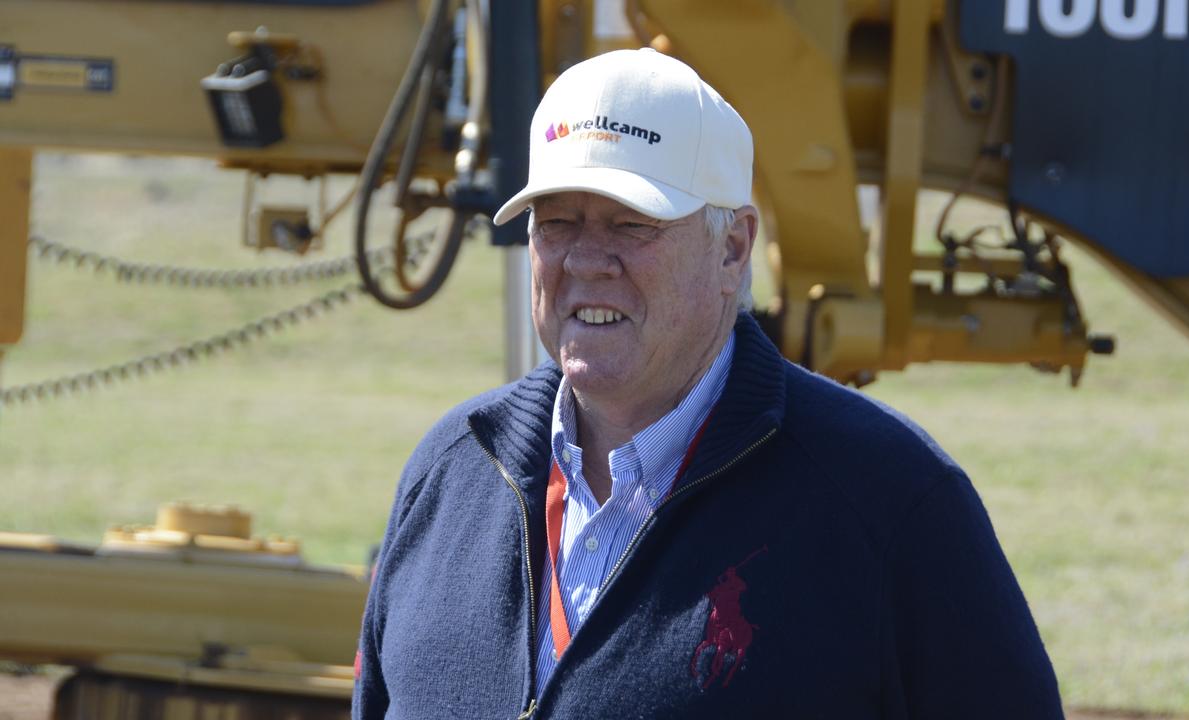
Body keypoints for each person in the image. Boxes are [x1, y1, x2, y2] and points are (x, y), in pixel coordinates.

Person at [354, 48, 1064, 719]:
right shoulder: (448, 476)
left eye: (631, 224)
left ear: (733, 247)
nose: (586, 260)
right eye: (557, 221)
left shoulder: (890, 504)